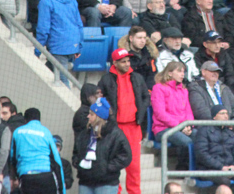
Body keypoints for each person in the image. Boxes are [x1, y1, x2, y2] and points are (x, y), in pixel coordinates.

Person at [98, 48, 150, 194]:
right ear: (115, 62)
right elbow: (99, 100)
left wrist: (141, 112)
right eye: (123, 61)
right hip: (115, 127)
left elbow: (146, 97)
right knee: (115, 162)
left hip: (134, 126)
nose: (127, 64)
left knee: (134, 166)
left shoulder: (137, 77)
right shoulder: (106, 79)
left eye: (128, 61)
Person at [73, 96, 130, 194]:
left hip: (106, 183)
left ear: (99, 117)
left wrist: (107, 168)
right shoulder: (84, 134)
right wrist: (79, 164)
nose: (88, 116)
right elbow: (76, 152)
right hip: (85, 182)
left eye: (91, 114)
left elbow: (126, 155)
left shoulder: (115, 134)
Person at [10, 108, 64, 194]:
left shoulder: (17, 132)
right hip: (46, 176)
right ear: (39, 119)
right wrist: (62, 190)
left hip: (26, 177)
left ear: (25, 120)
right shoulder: (46, 132)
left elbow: (12, 158)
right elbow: (57, 160)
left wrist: (15, 177)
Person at [151, 61, 195, 164]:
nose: (182, 74)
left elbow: (188, 111)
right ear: (170, 73)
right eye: (179, 71)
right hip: (163, 128)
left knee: (202, 137)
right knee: (187, 142)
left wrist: (189, 126)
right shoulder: (158, 88)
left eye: (183, 71)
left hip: (183, 127)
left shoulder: (184, 90)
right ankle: (182, 170)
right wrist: (180, 126)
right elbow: (160, 113)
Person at [193, 106, 234, 185]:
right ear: (214, 116)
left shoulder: (230, 133)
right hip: (209, 169)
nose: (226, 116)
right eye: (222, 113)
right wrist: (221, 167)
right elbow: (202, 154)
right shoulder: (204, 131)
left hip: (229, 169)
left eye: (226, 113)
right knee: (225, 181)